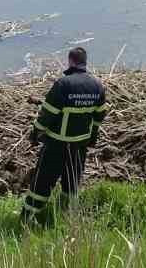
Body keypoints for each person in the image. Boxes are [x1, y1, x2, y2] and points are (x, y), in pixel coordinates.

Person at [21, 47, 107, 227]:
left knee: (43, 180)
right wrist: (92, 137)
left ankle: (27, 217)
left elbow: (47, 114)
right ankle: (65, 215)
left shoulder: (63, 84)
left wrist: (35, 133)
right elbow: (99, 116)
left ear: (70, 61)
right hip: (80, 145)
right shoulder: (97, 86)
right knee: (72, 180)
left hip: (57, 143)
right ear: (85, 62)